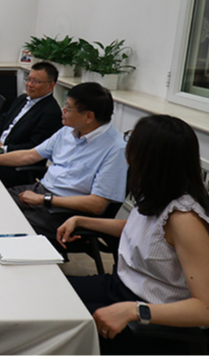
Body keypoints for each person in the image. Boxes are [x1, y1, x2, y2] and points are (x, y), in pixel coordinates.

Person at [57, 115, 209, 355]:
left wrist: (134, 310)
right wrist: (81, 220)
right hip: (120, 287)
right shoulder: (157, 192)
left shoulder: (185, 219)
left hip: (150, 319)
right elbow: (140, 232)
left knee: (56, 326)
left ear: (149, 158)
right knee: (50, 293)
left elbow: (205, 309)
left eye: (131, 142)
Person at [0, 82, 127, 249]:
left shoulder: (116, 149)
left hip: (66, 210)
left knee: (5, 226)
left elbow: (96, 205)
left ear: (88, 116)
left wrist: (44, 199)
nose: (63, 111)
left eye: (68, 108)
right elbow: (30, 155)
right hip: (41, 191)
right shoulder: (68, 131)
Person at [0, 62, 62, 187]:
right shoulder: (23, 99)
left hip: (13, 165)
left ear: (51, 86)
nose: (29, 84)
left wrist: (2, 149)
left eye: (36, 81)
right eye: (28, 79)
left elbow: (34, 148)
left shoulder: (51, 112)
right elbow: (3, 118)